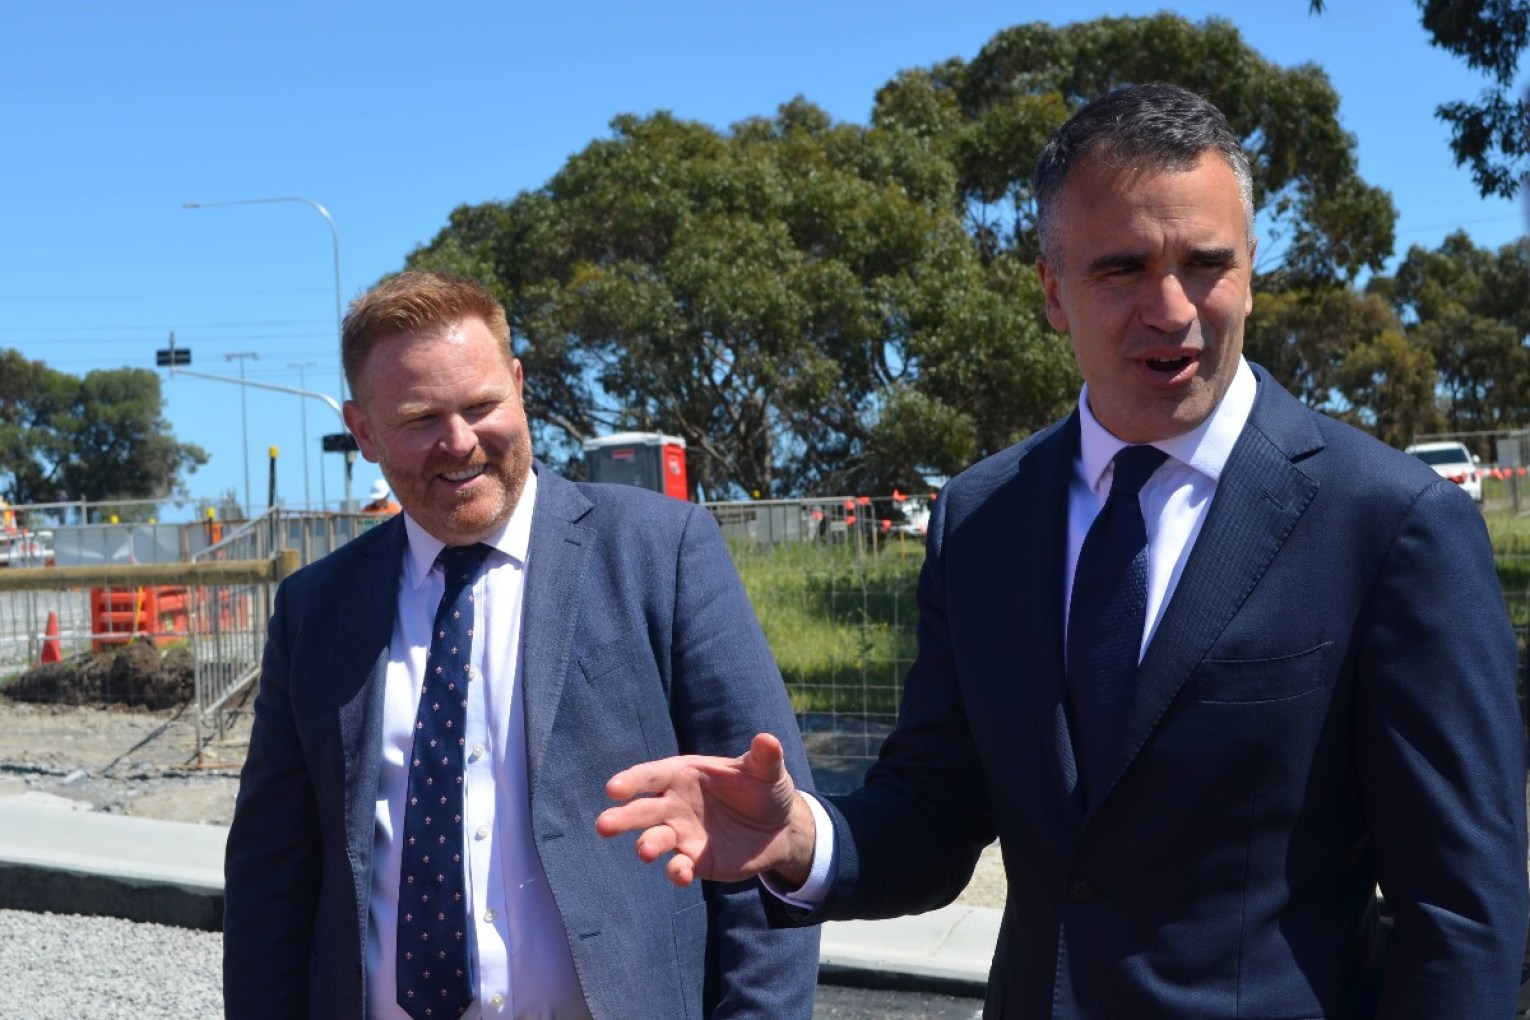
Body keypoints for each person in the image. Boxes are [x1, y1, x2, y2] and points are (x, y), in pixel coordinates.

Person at [598, 83, 1529, 1017]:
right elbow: (933, 810)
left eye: (1205, 263)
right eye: (1122, 269)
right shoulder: (982, 517)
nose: (1171, 310)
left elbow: (1462, 914)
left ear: (1250, 267)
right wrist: (800, 836)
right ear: (1051, 291)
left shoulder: (1390, 522)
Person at [223, 270, 820, 1019]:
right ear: (364, 429)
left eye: (481, 405)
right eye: (419, 418)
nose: (460, 442)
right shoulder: (316, 610)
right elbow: (269, 883)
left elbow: (767, 840)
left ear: (518, 383)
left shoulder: (658, 553)